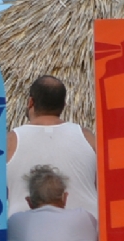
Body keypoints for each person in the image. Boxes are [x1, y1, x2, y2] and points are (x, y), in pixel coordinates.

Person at [6, 76, 98, 218]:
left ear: (31, 102)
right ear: (63, 105)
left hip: (26, 235)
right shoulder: (87, 137)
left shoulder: (10, 141)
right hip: (86, 232)